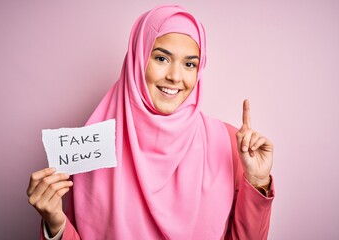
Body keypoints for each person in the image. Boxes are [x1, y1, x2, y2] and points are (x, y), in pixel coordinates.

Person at [27, 5, 274, 240]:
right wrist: (55, 224)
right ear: (138, 58)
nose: (175, 77)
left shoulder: (230, 144)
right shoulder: (92, 146)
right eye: (161, 58)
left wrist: (257, 182)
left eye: (189, 64)